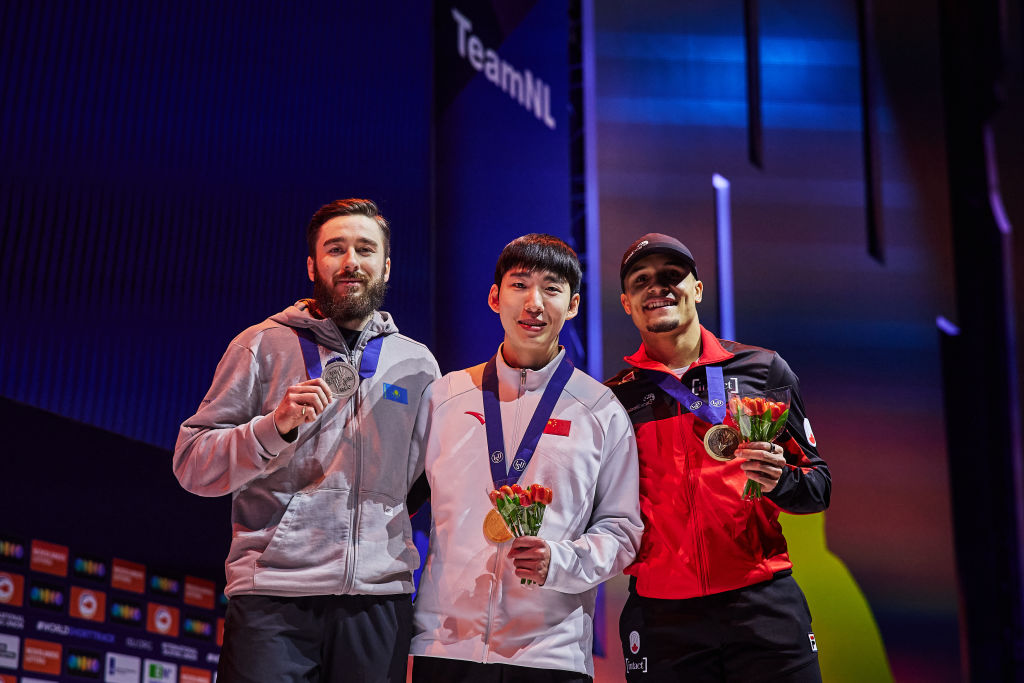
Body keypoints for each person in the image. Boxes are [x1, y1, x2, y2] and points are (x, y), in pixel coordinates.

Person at [173, 198, 440, 683]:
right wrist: (272, 428)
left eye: (365, 249)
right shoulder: (260, 345)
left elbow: (429, 480)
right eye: (335, 248)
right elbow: (193, 463)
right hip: (274, 596)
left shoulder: (418, 364)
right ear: (312, 264)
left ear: (386, 266)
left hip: (379, 598)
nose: (351, 262)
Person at [409, 234, 642, 682]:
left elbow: (622, 528)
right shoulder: (446, 396)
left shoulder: (601, 410)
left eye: (552, 289)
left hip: (550, 653)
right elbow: (396, 503)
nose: (534, 303)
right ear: (495, 297)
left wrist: (562, 562)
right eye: (519, 285)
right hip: (446, 644)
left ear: (572, 305)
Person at [607, 233, 831, 682]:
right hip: (663, 617)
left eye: (673, 276)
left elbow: (818, 486)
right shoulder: (613, 399)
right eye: (642, 280)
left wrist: (781, 479)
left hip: (762, 603)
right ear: (627, 303)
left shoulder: (763, 369)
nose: (658, 287)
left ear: (697, 289)